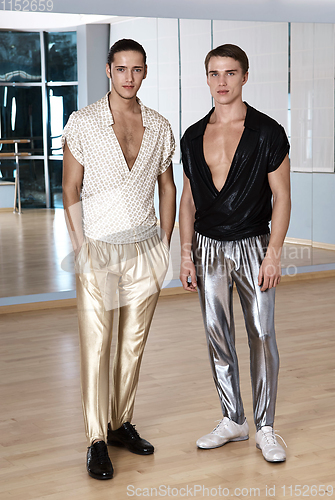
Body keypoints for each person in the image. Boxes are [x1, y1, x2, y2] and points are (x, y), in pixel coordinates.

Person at [62, 38, 176, 480]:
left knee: (132, 345)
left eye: (138, 69)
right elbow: (70, 189)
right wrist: (80, 248)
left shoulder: (160, 126)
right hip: (99, 248)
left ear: (145, 72)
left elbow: (168, 188)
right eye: (121, 68)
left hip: (146, 247)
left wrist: (164, 246)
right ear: (108, 70)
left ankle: (119, 423)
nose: (129, 77)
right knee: (97, 346)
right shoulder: (83, 122)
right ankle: (94, 439)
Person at [179, 44, 291, 463]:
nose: (221, 82)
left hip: (252, 243)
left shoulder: (267, 132)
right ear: (206, 77)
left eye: (230, 73)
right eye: (214, 73)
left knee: (261, 334)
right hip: (207, 246)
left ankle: (265, 427)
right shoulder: (193, 135)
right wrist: (187, 254)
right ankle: (234, 420)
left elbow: (282, 198)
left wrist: (274, 253)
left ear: (245, 76)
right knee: (217, 336)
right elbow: (188, 201)